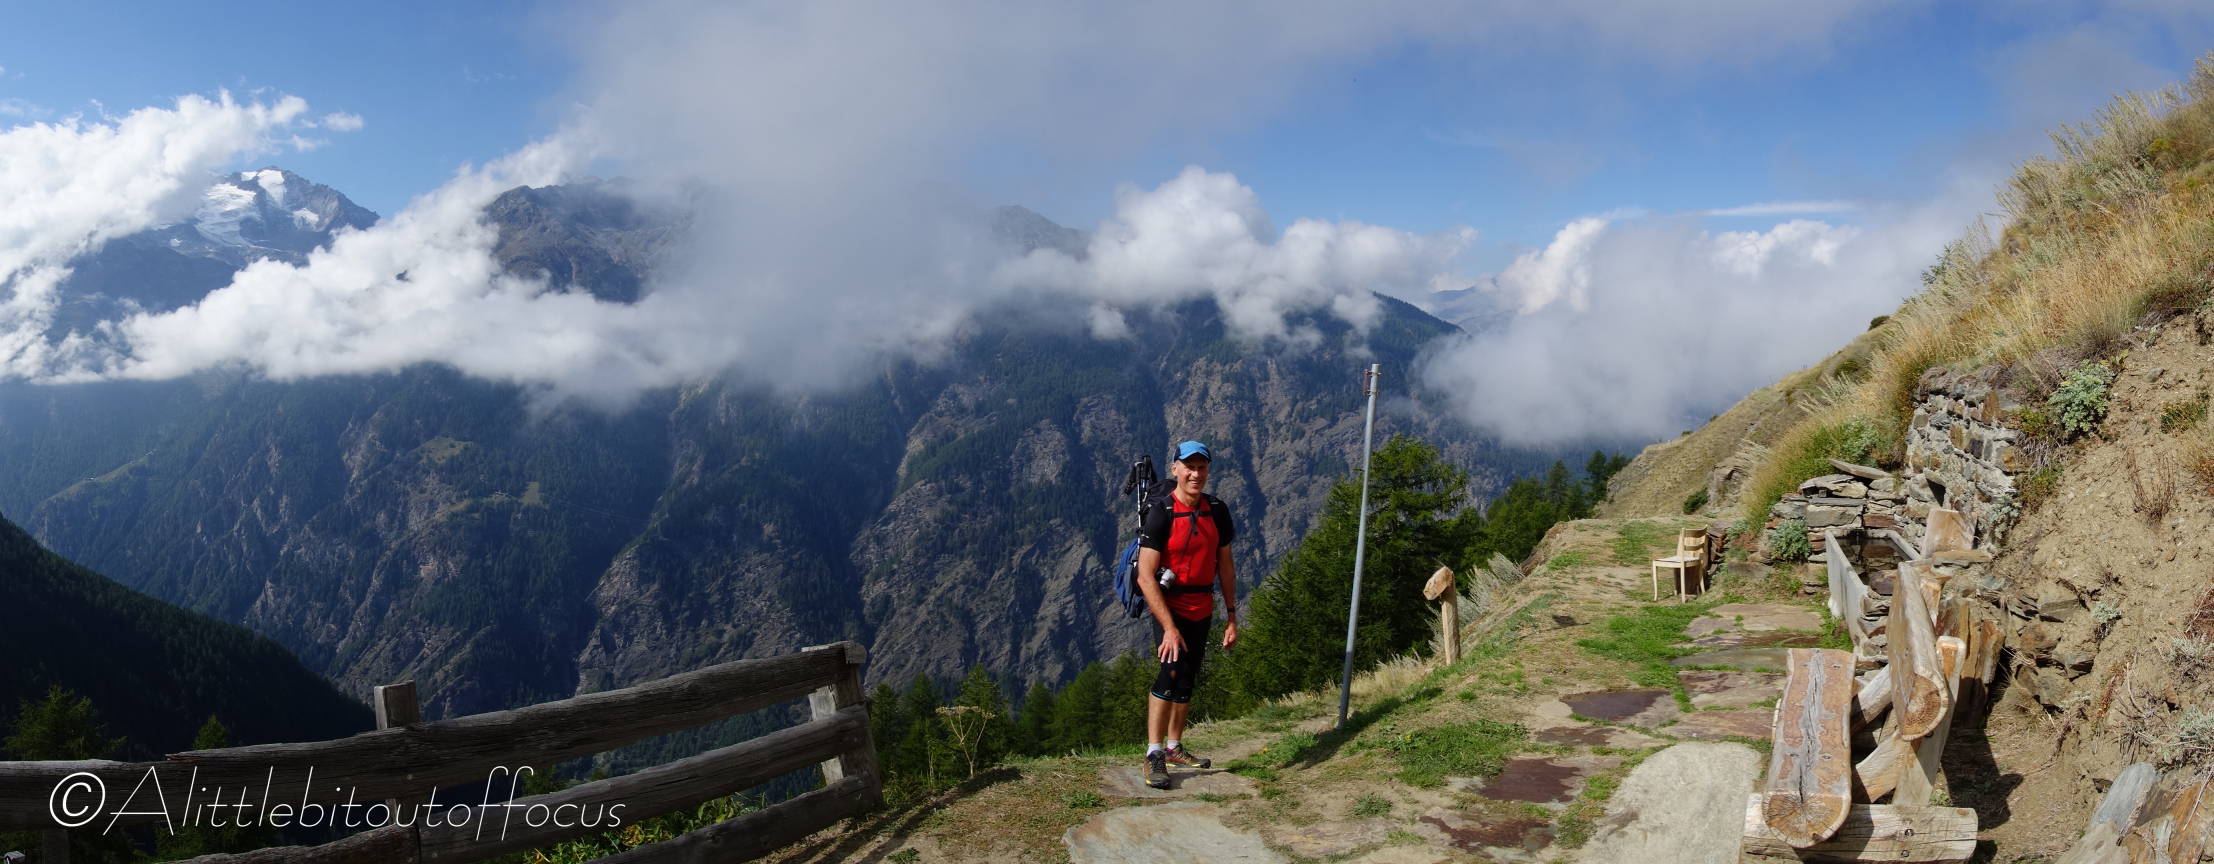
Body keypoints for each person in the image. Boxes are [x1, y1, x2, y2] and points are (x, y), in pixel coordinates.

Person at [1134, 439, 1238, 790]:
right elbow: (1145, 576)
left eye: (1201, 467)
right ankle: (1154, 753)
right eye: (1189, 467)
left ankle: (1174, 747)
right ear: (1175, 469)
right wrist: (1168, 628)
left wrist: (1232, 616)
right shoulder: (1162, 512)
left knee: (1188, 675)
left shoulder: (1217, 510)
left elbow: (1225, 566)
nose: (1195, 474)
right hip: (1169, 606)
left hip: (1202, 605)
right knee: (1170, 671)